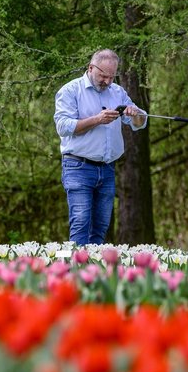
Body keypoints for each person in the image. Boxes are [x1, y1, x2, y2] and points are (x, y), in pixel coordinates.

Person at [53, 49, 147, 245]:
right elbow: (63, 127)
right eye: (103, 76)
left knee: (101, 226)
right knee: (80, 222)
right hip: (77, 167)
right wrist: (97, 120)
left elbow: (139, 123)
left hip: (106, 168)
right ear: (90, 68)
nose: (107, 81)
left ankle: (93, 272)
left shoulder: (118, 92)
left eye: (111, 77)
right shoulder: (71, 90)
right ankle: (73, 271)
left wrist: (135, 113)